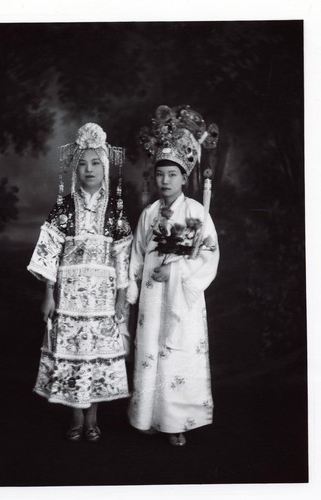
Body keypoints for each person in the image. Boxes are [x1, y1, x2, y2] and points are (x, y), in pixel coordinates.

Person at [28, 123, 132, 442]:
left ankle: (93, 418)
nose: (89, 169)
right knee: (73, 354)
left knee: (96, 356)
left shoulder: (115, 211)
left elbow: (123, 257)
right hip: (70, 298)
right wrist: (49, 294)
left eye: (96, 163)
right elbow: (48, 250)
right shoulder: (65, 207)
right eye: (83, 163)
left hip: (102, 301)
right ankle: (75, 416)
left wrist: (120, 298)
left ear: (105, 167)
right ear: (75, 168)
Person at [127, 105, 220, 446]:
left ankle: (176, 422)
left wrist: (179, 269)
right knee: (150, 350)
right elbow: (136, 255)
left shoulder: (197, 212)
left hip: (183, 298)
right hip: (152, 296)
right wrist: (132, 294)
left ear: (184, 178)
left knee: (177, 353)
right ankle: (149, 416)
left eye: (172, 175)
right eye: (160, 174)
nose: (165, 181)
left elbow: (209, 253)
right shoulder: (149, 213)